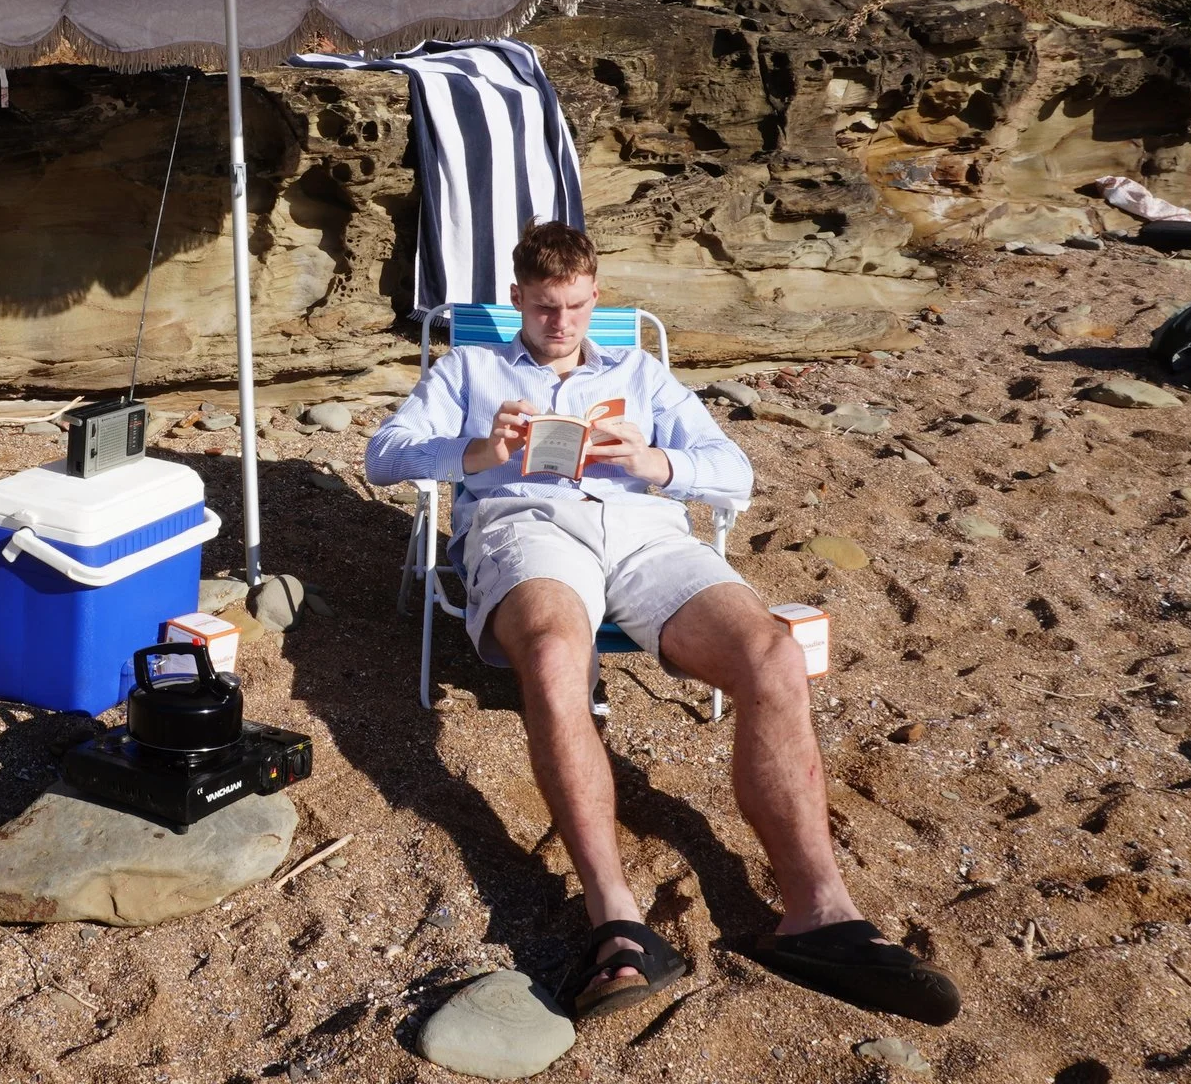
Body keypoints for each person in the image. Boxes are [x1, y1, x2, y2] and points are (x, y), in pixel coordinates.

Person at [365, 221, 960, 1027]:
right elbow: (384, 453)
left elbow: (734, 471)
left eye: (576, 306)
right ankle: (618, 921)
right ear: (516, 300)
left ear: (596, 296)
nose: (562, 324)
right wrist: (477, 451)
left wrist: (655, 462)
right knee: (551, 655)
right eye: (544, 308)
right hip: (528, 525)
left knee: (773, 655)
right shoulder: (472, 367)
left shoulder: (639, 374)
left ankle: (821, 916)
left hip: (643, 533)